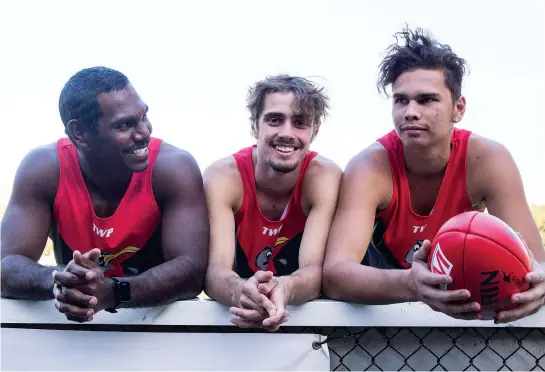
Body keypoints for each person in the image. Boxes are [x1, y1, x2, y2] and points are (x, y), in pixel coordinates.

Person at [322, 27, 545, 324]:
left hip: (463, 303)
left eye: (427, 100)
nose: (410, 112)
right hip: (386, 302)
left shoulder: (488, 159)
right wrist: (412, 283)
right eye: (401, 100)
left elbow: (535, 262)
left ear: (459, 108)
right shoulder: (369, 166)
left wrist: (538, 283)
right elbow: (336, 274)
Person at [0, 66, 210, 323]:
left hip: (157, 332)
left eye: (143, 117)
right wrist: (60, 280)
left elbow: (192, 271)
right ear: (80, 134)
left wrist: (113, 292)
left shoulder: (173, 168)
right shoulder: (43, 169)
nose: (144, 132)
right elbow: (6, 265)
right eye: (125, 125)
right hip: (80, 332)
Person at [203, 75, 342, 331]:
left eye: (300, 122)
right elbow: (215, 270)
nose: (287, 133)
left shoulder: (324, 176)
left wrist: (285, 288)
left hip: (302, 323)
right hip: (233, 319)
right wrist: (240, 291)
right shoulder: (224, 176)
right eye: (275, 120)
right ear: (255, 126)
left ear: (315, 129)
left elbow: (314, 270)